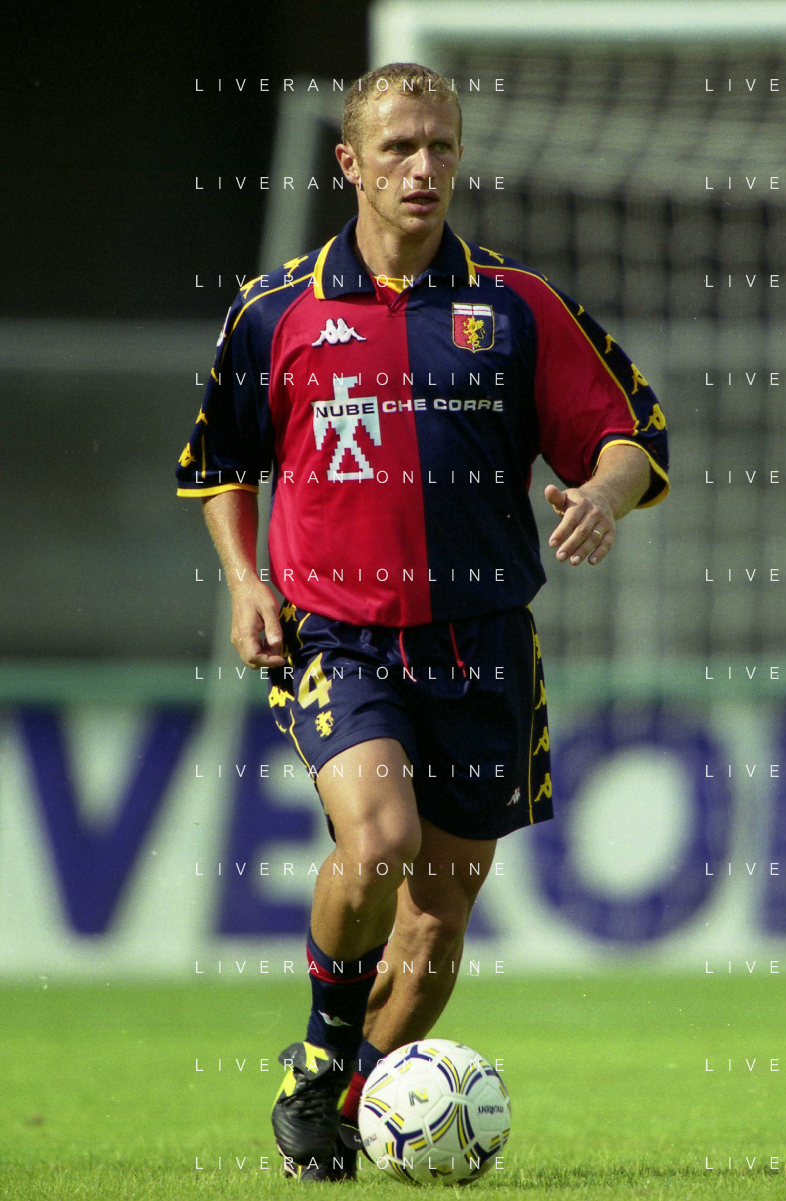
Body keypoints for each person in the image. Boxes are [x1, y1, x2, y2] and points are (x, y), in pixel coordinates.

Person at [176, 62, 669, 1181]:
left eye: (441, 145)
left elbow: (631, 434)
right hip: (340, 633)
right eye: (399, 147)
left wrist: (603, 491)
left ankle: (349, 1108)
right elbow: (218, 461)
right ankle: (316, 1063)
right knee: (380, 843)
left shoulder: (516, 306)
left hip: (482, 640)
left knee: (436, 923)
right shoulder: (276, 309)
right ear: (350, 162)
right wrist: (247, 580)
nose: (423, 167)